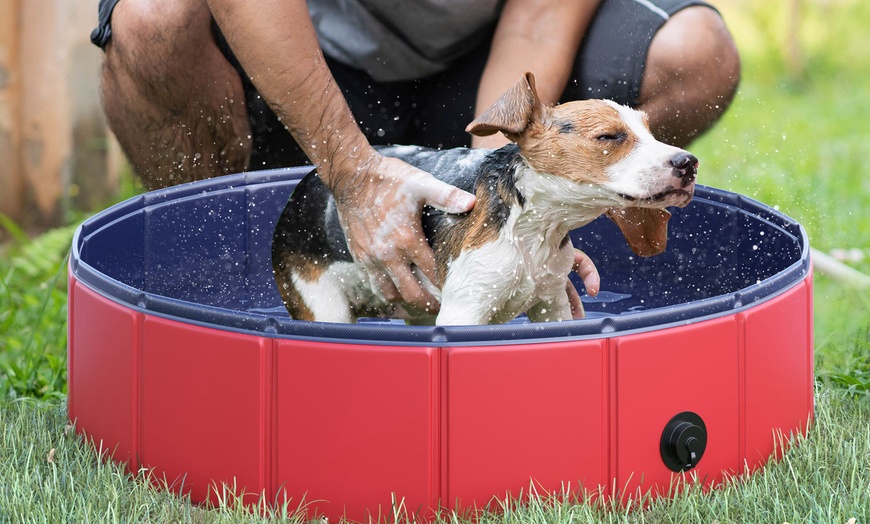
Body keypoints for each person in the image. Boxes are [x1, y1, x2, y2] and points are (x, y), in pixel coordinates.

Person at [91, 0, 740, 315]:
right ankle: (220, 283)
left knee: (694, 49)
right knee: (152, 17)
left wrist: (512, 205)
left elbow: (539, 21)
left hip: (483, 71)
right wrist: (347, 169)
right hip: (295, 63)